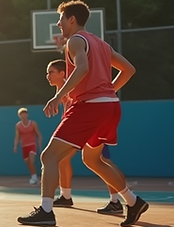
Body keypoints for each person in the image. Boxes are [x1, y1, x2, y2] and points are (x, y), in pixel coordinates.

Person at [18, 0, 148, 227]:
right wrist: (107, 91)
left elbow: (83, 68)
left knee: (49, 157)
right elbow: (129, 69)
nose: (58, 24)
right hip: (110, 106)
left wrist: (58, 96)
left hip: (90, 107)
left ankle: (46, 211)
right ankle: (133, 201)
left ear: (72, 19)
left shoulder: (75, 41)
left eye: (60, 19)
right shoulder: (101, 44)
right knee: (92, 159)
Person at [45, 59, 124, 214]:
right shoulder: (61, 90)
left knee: (102, 161)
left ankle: (116, 200)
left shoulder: (71, 87)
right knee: (61, 159)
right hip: (82, 127)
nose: (48, 75)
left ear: (62, 74)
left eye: (51, 72)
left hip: (91, 125)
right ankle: (66, 196)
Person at [12, 107, 41, 185]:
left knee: (31, 161)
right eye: (21, 115)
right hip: (24, 146)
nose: (23, 116)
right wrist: (15, 146)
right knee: (28, 163)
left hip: (32, 145)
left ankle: (34, 178)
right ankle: (34, 177)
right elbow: (17, 137)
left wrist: (39, 144)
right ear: (19, 116)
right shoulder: (18, 125)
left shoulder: (33, 123)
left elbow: (38, 134)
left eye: (24, 114)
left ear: (27, 115)